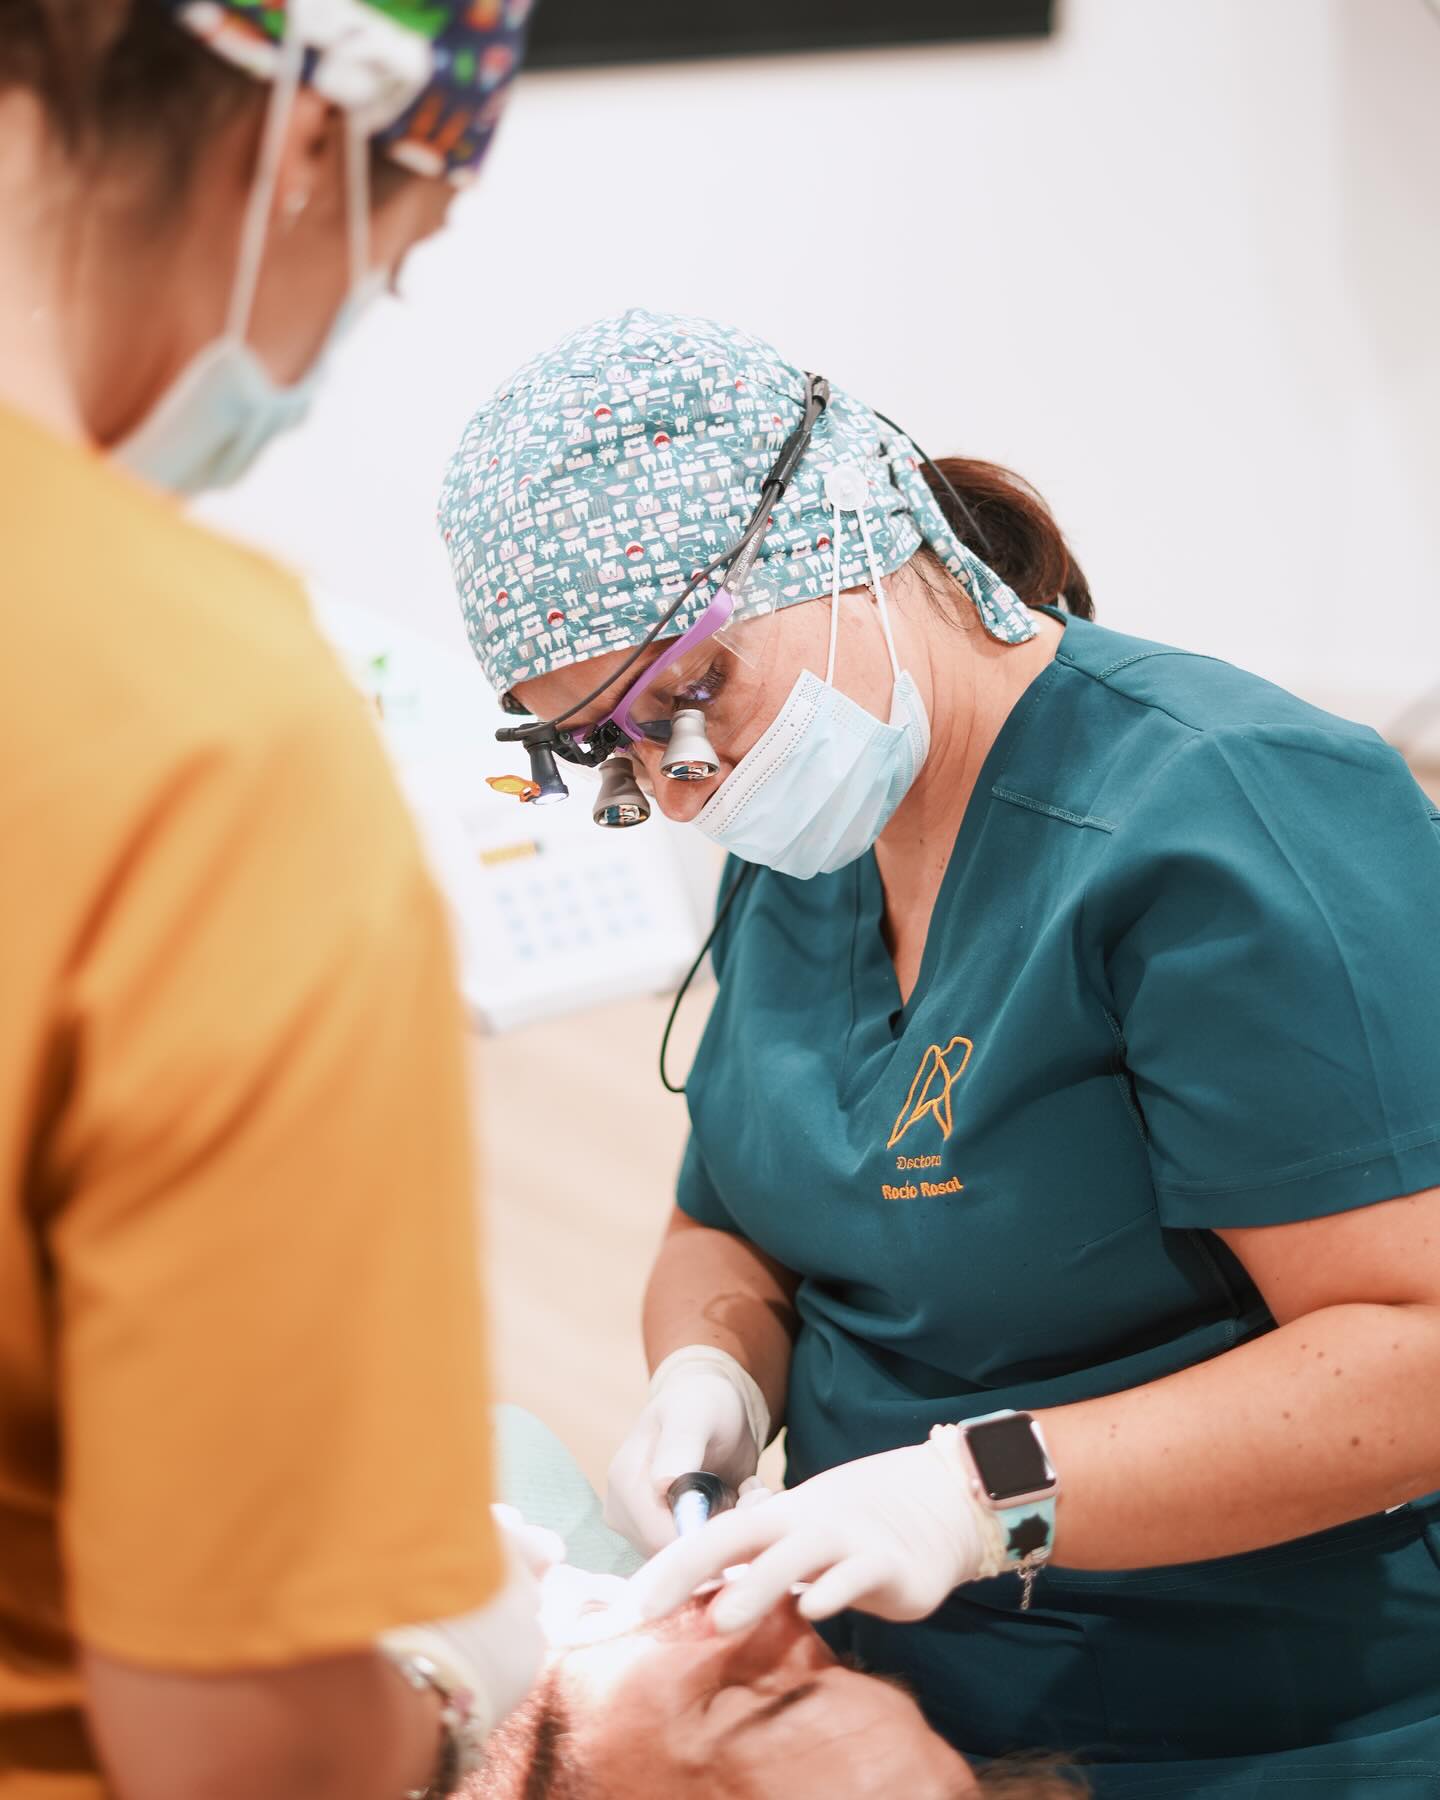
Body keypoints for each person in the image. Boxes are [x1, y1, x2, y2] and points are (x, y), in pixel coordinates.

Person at [438, 309, 1440, 1797]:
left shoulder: (1232, 819)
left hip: (1259, 1722)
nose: (687, 781)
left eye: (690, 693)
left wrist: (982, 1496)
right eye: (611, 748)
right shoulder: (807, 846)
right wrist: (711, 1373)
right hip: (886, 1692)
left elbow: (1412, 1357)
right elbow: (734, 1216)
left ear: (851, 524)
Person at [0, 5, 539, 1797]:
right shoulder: (201, 731)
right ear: (309, 142)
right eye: (399, 252)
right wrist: (462, 1717)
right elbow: (236, 1749)